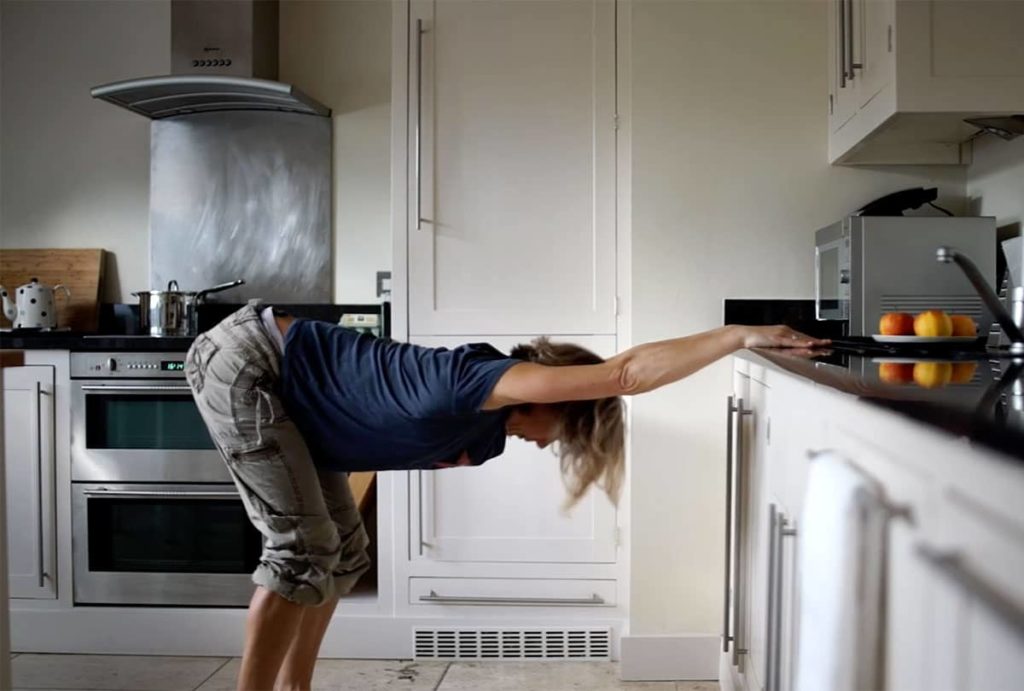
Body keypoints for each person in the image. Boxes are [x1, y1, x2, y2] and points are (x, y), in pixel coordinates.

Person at [185, 300, 828, 691]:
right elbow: (626, 374)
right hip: (249, 363)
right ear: (554, 399)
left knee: (345, 552)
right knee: (302, 550)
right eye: (566, 430)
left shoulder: (488, 421)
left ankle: (295, 682)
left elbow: (370, 431)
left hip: (298, 396)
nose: (551, 447)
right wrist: (736, 335)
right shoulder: (484, 383)